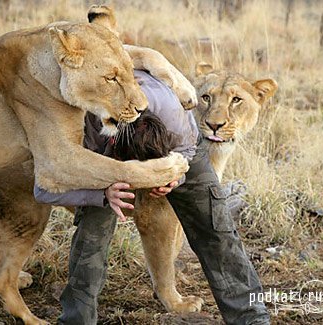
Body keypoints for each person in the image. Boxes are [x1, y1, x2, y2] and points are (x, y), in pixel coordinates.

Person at [34, 70, 270, 325]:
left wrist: (173, 178)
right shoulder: (82, 132)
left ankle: (252, 318)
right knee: (92, 232)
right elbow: (43, 188)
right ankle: (76, 320)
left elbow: (188, 148)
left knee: (216, 225)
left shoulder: (172, 114)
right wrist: (101, 193)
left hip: (180, 151)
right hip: (102, 162)